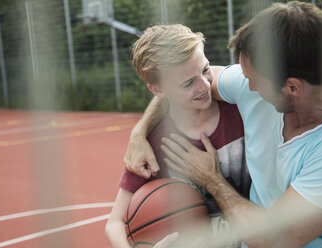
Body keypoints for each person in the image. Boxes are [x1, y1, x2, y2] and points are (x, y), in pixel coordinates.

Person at [123, 1, 322, 247]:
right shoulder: (252, 87)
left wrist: (212, 180)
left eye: (252, 79)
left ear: (293, 87)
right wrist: (139, 132)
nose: (248, 86)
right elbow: (179, 83)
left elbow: (272, 239)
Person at [105, 24, 251, 248]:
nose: (204, 86)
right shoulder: (153, 144)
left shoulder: (240, 109)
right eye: (188, 83)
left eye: (205, 69)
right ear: (158, 90)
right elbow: (115, 223)